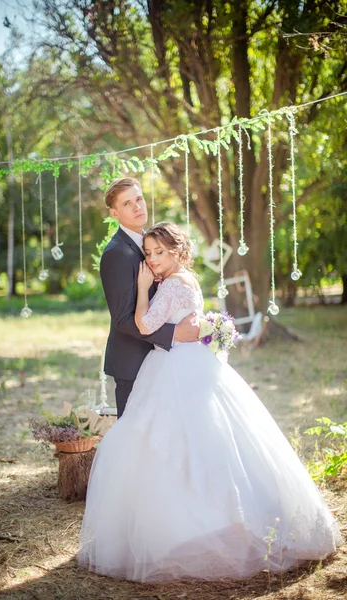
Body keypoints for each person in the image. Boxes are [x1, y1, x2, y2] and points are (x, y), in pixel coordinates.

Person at [78, 222, 342, 582]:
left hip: (173, 368)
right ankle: (219, 518)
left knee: (171, 441)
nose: (152, 260)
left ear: (176, 252)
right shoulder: (188, 278)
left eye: (159, 253)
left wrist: (142, 290)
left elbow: (143, 324)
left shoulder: (169, 286)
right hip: (195, 364)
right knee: (207, 440)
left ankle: (189, 525)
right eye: (149, 253)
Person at [100, 178, 199, 418]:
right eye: (127, 204)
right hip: (133, 362)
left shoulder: (152, 243)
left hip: (165, 362)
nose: (137, 207)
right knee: (135, 438)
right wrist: (174, 333)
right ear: (114, 213)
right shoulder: (116, 253)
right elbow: (122, 319)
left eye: (139, 199)